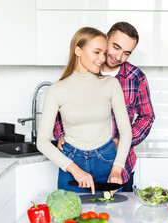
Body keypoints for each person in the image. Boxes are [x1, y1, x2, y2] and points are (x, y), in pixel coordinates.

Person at [53, 22, 155, 192]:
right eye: (116, 47)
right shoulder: (82, 71)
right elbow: (59, 113)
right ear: (105, 38)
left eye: (127, 53)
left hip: (119, 166)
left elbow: (147, 117)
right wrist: (61, 135)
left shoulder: (136, 78)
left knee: (117, 217)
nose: (119, 56)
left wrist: (119, 142)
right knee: (78, 216)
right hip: (77, 164)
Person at [37, 27, 132, 195]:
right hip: (71, 163)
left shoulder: (110, 84)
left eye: (104, 53)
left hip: (106, 162)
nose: (102, 59)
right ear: (78, 50)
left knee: (109, 219)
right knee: (70, 219)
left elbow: (126, 132)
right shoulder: (56, 90)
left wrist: (117, 169)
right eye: (96, 52)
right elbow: (42, 142)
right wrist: (75, 170)